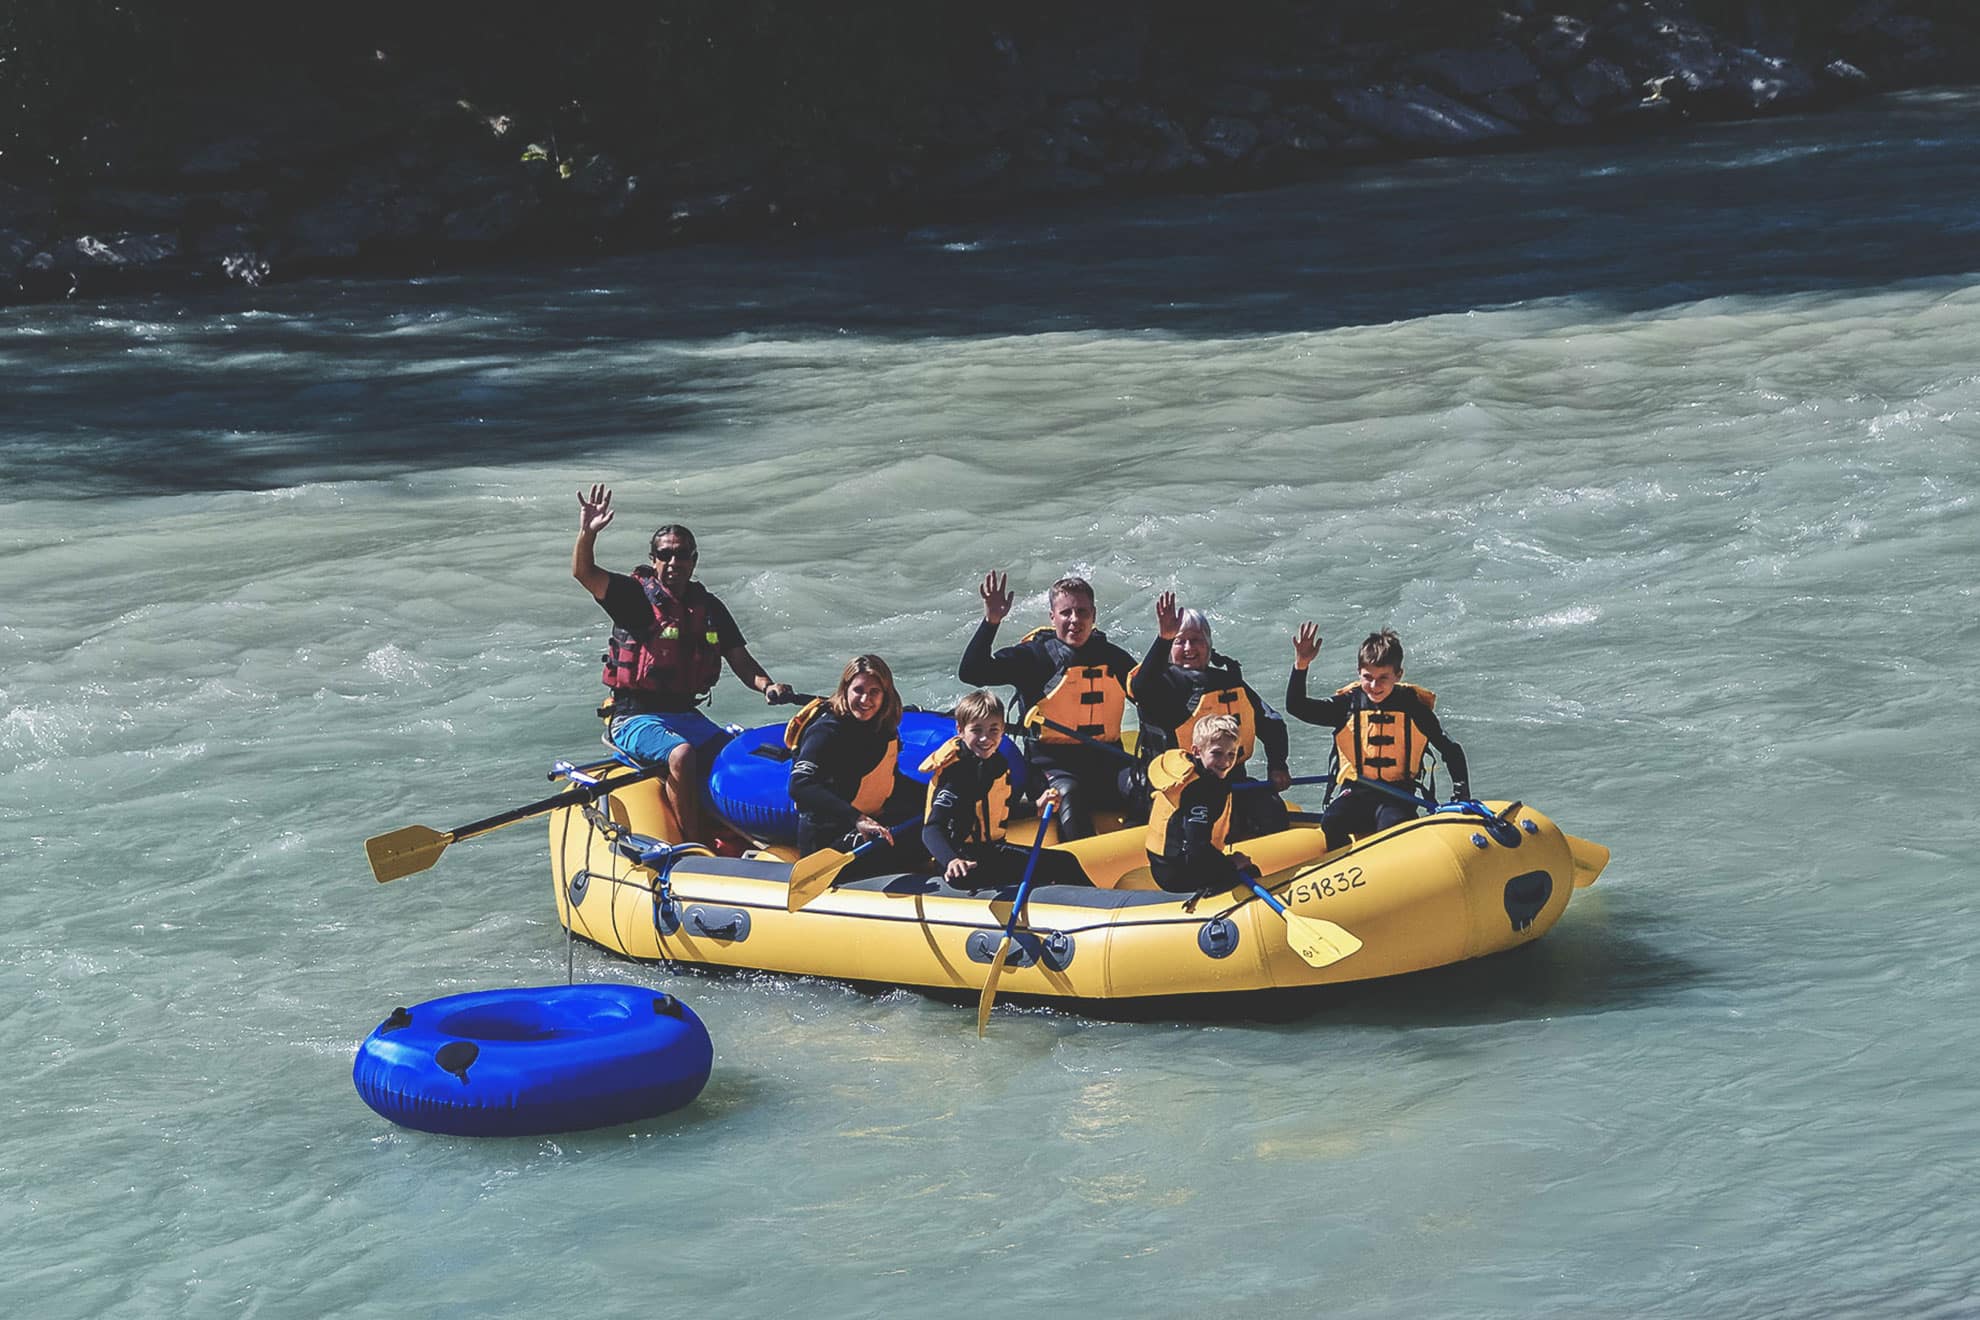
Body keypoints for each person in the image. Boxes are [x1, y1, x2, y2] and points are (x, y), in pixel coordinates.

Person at [571, 484, 793, 844]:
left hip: (687, 716)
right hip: (633, 717)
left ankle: (752, 830)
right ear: (654, 558)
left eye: (682, 555)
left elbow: (740, 659)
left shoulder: (709, 608)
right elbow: (584, 573)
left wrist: (767, 685)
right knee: (683, 753)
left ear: (694, 560)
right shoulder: (633, 597)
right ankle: (694, 844)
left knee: (740, 755)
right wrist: (587, 534)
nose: (674, 563)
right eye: (665, 555)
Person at [958, 571, 1138, 841]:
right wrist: (991, 622)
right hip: (1053, 767)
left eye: (1082, 612)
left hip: (1107, 762)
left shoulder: (1113, 658)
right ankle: (1079, 875)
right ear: (1052, 616)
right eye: (1066, 612)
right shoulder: (1034, 657)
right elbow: (971, 671)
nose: (1075, 620)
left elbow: (1153, 694)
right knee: (1069, 796)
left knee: (1147, 785)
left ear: (1094, 615)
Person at [1284, 624, 1471, 853]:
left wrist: (1461, 793)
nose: (1374, 685)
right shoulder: (1348, 705)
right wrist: (1301, 665)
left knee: (1392, 828)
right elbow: (1296, 707)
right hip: (1358, 792)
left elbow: (1449, 748)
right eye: (1368, 677)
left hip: (1398, 795)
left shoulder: (1413, 707)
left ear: (1398, 675)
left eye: (1384, 677)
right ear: (1358, 673)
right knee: (1331, 821)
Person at [1128, 590, 1292, 839]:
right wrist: (1163, 637)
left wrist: (1277, 764)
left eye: (1196, 640)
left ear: (1208, 645)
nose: (1189, 648)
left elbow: (1270, 721)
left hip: (1230, 778)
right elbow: (1141, 688)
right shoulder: (1163, 684)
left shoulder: (1227, 681)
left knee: (1273, 812)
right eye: (1179, 641)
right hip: (1180, 788)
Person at [919, 690, 1091, 890]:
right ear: (960, 729)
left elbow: (999, 810)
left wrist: (1036, 805)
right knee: (1057, 866)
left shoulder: (995, 764)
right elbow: (931, 829)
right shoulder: (956, 774)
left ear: (1002, 731)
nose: (986, 739)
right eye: (977, 730)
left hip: (990, 851)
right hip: (964, 863)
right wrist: (951, 861)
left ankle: (1098, 905)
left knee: (1065, 861)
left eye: (994, 730)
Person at [786, 654, 928, 877]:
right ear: (845, 690)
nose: (865, 700)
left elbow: (889, 781)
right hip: (829, 837)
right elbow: (799, 785)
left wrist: (934, 796)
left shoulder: (882, 726)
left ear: (885, 695)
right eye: (858, 690)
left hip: (871, 821)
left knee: (933, 829)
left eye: (874, 692)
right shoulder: (826, 731)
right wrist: (857, 818)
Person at [1144, 715, 1260, 895]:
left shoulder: (1193, 774)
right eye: (1217, 753)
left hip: (1162, 864)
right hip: (1175, 875)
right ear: (1197, 751)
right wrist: (1231, 864)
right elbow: (1197, 849)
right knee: (1251, 872)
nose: (1226, 762)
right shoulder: (1199, 792)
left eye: (1232, 754)